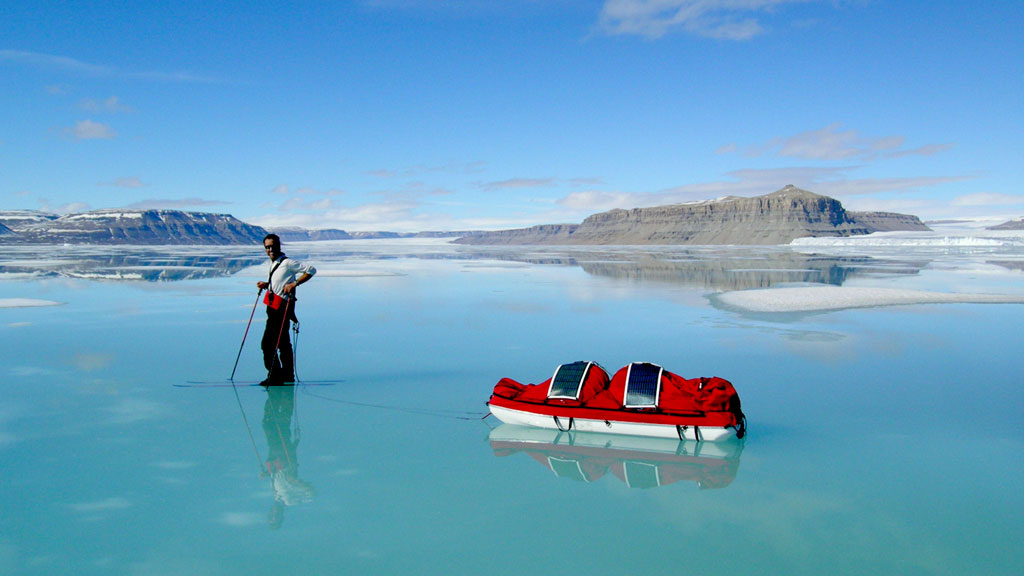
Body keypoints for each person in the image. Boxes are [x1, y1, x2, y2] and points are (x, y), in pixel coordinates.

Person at [256, 234, 315, 386]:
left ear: (279, 246)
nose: (270, 249)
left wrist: (294, 283)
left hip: (281, 309)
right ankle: (287, 375)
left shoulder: (287, 263)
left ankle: (275, 376)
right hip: (274, 306)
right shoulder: (274, 263)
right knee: (283, 342)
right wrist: (266, 285)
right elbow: (278, 284)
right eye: (267, 247)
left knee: (267, 345)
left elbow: (311, 270)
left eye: (272, 246)